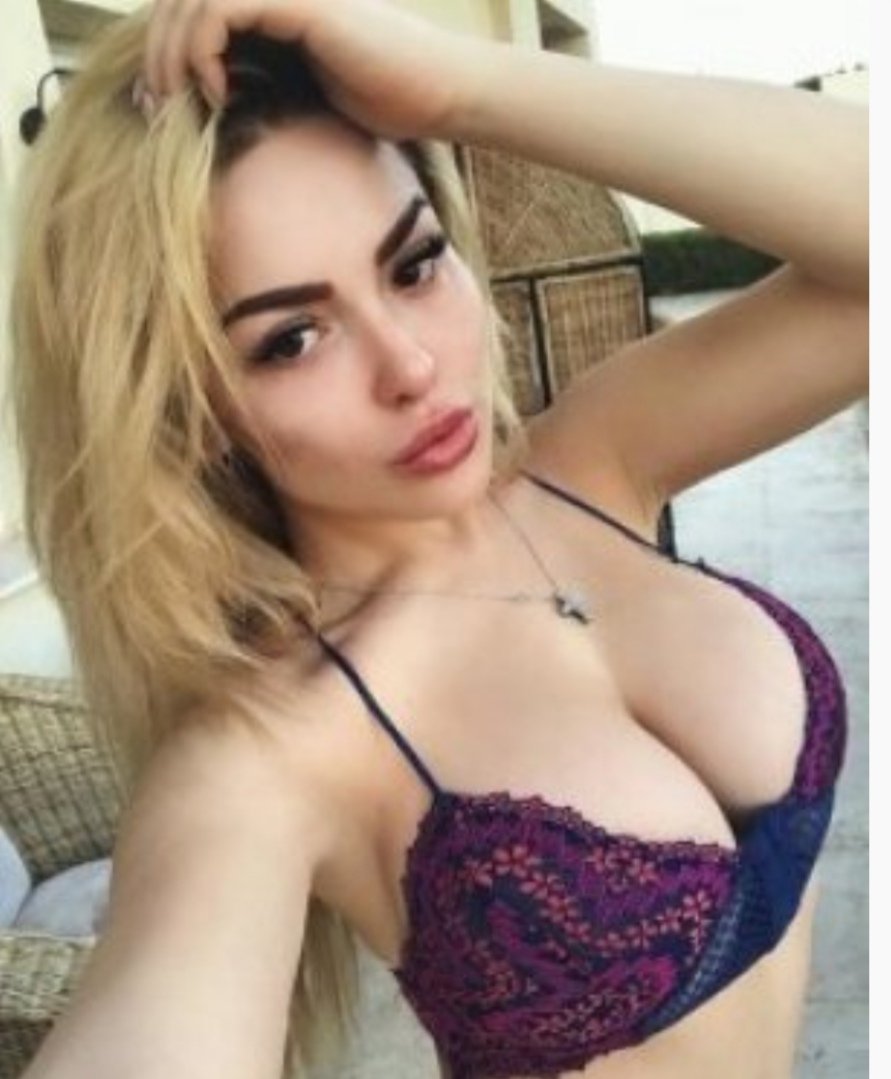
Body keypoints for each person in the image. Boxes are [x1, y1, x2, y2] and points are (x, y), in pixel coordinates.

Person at [9, 1, 866, 1077]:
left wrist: (461, 89)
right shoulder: (266, 755)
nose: (410, 366)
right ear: (187, 409)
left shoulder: (593, 461)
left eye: (413, 264)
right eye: (293, 338)